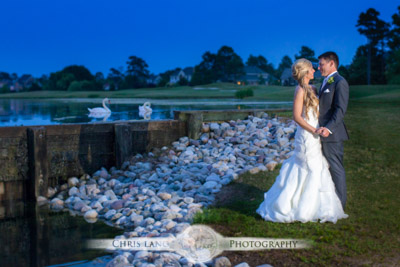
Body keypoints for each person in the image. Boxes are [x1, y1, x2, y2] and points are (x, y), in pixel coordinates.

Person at [256, 58, 348, 223]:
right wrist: (314, 130)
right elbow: (297, 117)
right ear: (305, 71)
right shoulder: (300, 90)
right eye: (312, 69)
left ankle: (319, 205)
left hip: (316, 135)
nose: (315, 70)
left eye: (317, 67)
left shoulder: (313, 88)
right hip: (307, 135)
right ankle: (294, 206)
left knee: (317, 167)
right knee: (307, 167)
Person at [316, 51, 349, 210]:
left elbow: (340, 110)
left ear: (331, 64)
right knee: (326, 168)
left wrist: (328, 128)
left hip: (332, 135)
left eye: (321, 64)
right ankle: (328, 201)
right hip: (320, 133)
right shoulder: (325, 81)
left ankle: (340, 205)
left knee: (336, 169)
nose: (319, 67)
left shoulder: (340, 82)